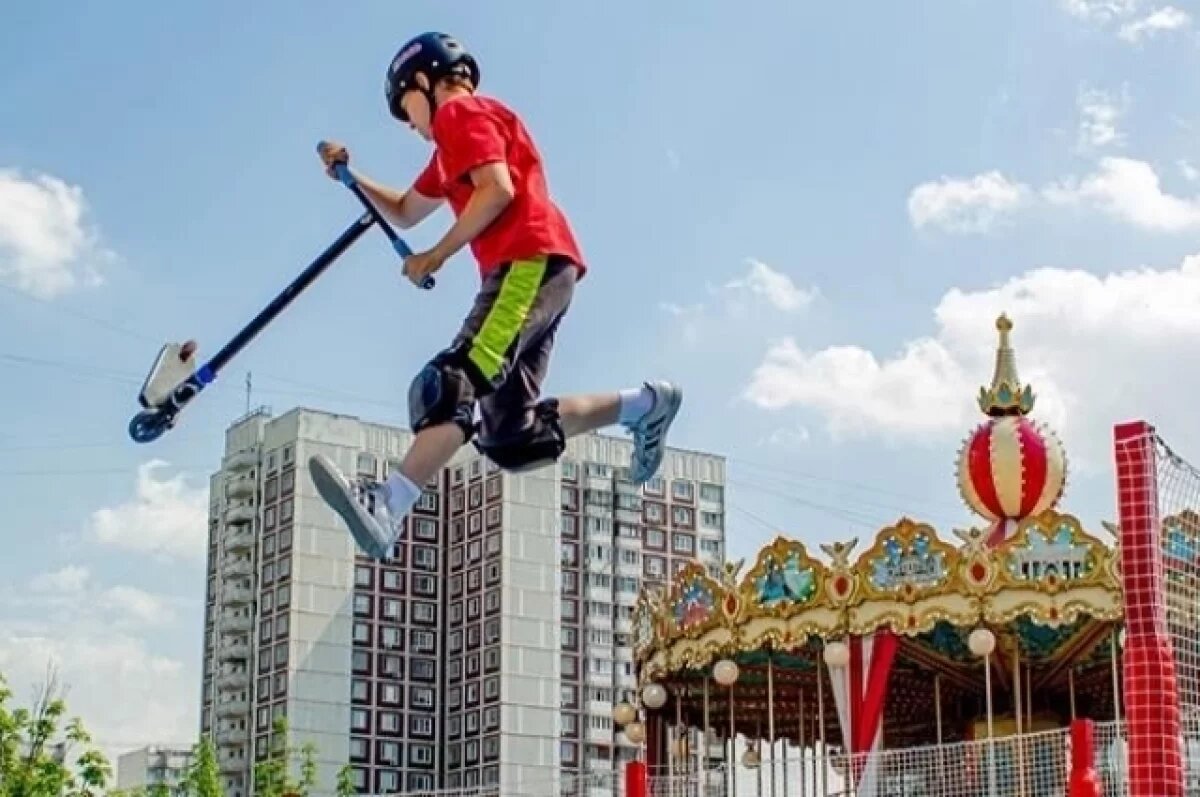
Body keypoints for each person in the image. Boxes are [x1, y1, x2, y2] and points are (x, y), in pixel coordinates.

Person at [307, 31, 683, 560]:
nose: (408, 122)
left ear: (424, 81)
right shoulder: (446, 151)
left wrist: (434, 256)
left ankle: (388, 504)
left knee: (452, 382)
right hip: (539, 268)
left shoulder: (462, 116)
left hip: (527, 259)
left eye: (404, 107)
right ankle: (647, 405)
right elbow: (405, 210)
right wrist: (352, 177)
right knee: (512, 436)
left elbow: (498, 188)